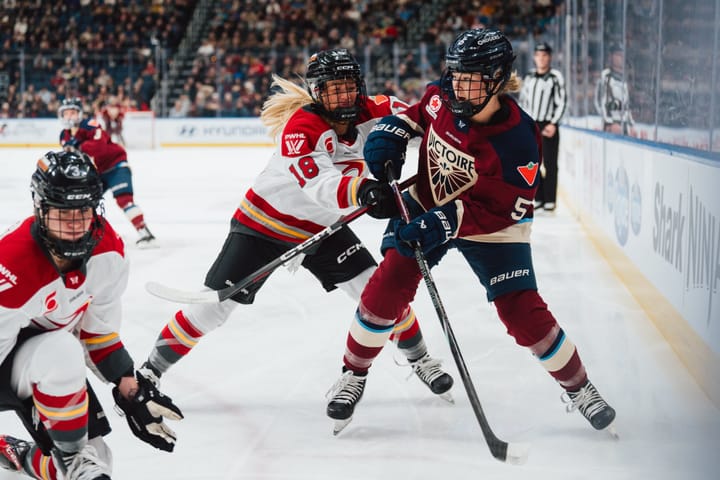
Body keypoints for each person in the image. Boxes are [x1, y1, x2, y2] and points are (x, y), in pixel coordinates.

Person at [140, 49, 453, 430]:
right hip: (264, 226)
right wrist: (365, 191)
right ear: (316, 93)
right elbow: (321, 186)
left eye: (348, 88)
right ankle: (148, 373)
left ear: (360, 87)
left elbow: (428, 121)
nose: (341, 98)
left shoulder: (381, 110)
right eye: (331, 90)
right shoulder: (301, 129)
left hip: (323, 231)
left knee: (378, 294)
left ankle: (419, 358)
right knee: (213, 310)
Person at [326, 28, 616, 434]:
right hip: (428, 201)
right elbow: (417, 113)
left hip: (491, 225)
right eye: (456, 76)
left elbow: (505, 208)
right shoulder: (443, 95)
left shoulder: (519, 140)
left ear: (497, 79)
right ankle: (353, 374)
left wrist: (447, 221)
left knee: (522, 312)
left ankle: (579, 387)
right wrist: (394, 131)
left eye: (471, 79)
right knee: (387, 285)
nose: (459, 88)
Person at [0, 151, 183, 480]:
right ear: (40, 210)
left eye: (83, 210)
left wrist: (129, 386)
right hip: (13, 355)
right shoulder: (12, 264)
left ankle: (19, 454)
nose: (74, 222)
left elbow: (95, 332)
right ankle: (71, 457)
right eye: (61, 211)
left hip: (41, 356)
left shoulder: (109, 254)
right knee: (61, 351)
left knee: (96, 463)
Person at [58, 97, 156, 247]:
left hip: (116, 166)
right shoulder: (64, 136)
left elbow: (99, 148)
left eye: (73, 112)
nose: (69, 116)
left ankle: (145, 234)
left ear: (80, 113)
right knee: (84, 203)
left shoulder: (90, 125)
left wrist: (80, 145)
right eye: (66, 113)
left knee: (124, 199)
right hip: (96, 173)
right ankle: (85, 236)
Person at [519, 41, 567, 211]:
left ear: (550, 57)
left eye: (545, 55)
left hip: (548, 125)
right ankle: (538, 197)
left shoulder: (555, 77)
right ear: (534, 57)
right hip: (532, 125)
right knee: (532, 163)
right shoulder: (529, 77)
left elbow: (562, 102)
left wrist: (554, 123)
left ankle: (550, 200)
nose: (541, 58)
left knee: (550, 163)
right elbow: (523, 101)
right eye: (538, 55)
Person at [594, 43, 635, 135]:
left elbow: (626, 103)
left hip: (624, 123)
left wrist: (631, 124)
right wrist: (609, 122)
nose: (620, 58)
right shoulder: (605, 76)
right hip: (611, 124)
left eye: (622, 55)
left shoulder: (625, 77)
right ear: (611, 56)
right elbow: (599, 101)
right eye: (617, 54)